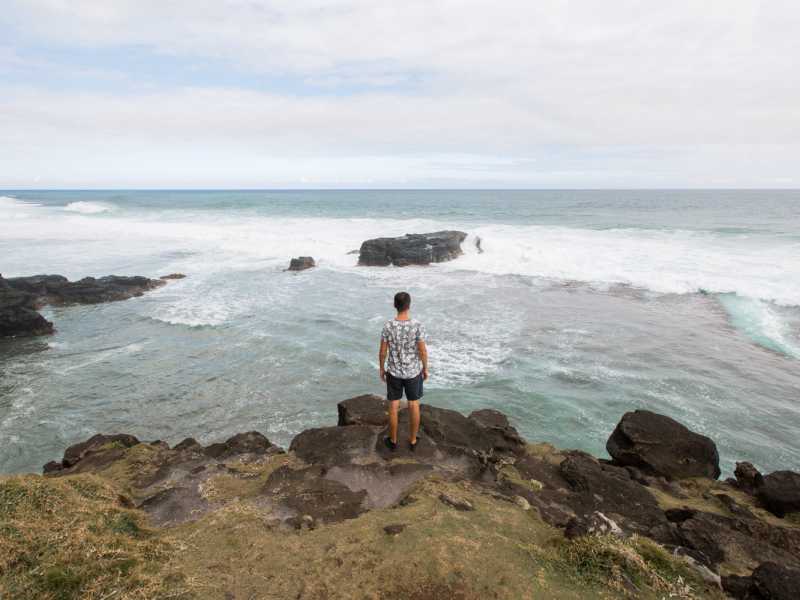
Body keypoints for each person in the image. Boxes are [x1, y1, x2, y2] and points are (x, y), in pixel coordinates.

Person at [379, 291, 428, 451]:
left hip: (394, 372)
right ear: (409, 305)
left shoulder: (388, 325)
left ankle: (393, 441)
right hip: (413, 372)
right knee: (414, 404)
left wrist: (381, 368)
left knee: (393, 405)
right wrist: (425, 368)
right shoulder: (416, 325)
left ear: (395, 305)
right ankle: (413, 440)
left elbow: (382, 352)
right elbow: (422, 351)